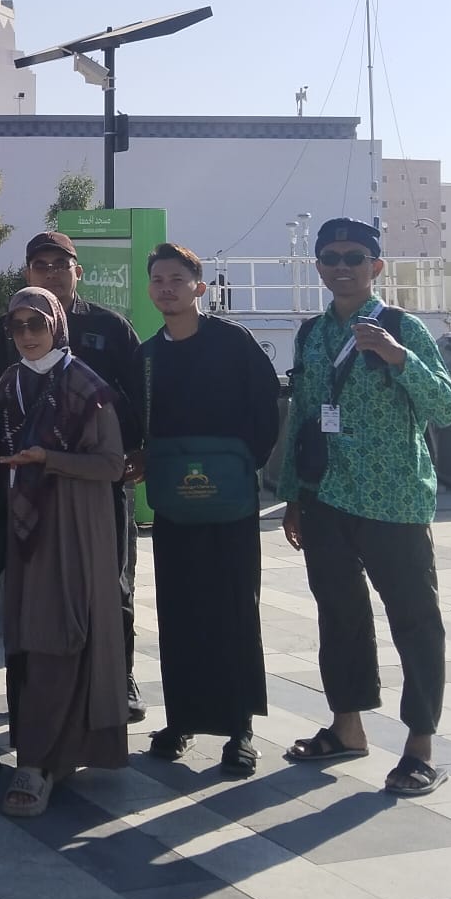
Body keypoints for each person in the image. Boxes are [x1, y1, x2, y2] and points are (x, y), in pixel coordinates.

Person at [277, 217, 451, 795]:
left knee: (415, 619)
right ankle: (347, 726)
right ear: (319, 267)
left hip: (394, 498)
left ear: (375, 266)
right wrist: (293, 496)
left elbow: (447, 406)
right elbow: (303, 415)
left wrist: (399, 357)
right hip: (327, 496)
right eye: (330, 258)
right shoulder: (311, 334)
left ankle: (420, 745)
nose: (342, 267)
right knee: (339, 614)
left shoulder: (403, 327)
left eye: (354, 257)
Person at [0, 287, 128, 815]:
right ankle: (51, 754)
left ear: (58, 326)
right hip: (26, 525)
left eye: (36, 324)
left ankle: (35, 764)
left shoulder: (84, 384)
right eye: (17, 326)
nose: (26, 335)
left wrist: (49, 458)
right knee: (28, 639)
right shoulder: (12, 382)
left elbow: (111, 464)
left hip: (73, 524)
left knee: (59, 634)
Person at [0, 230, 147, 722]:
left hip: (95, 485)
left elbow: (139, 396)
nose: (50, 272)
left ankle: (117, 677)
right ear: (27, 272)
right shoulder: (5, 330)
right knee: (32, 589)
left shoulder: (110, 327)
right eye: (40, 264)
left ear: (78, 271)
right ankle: (32, 690)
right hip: (28, 487)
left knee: (111, 584)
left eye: (60, 264)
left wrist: (141, 448)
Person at [139, 242, 279, 776]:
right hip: (175, 508)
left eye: (177, 279)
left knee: (235, 611)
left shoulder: (234, 343)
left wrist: (241, 467)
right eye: (158, 280)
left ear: (199, 287)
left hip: (230, 506)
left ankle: (239, 728)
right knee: (178, 611)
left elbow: (265, 411)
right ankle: (182, 719)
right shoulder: (146, 356)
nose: (167, 289)